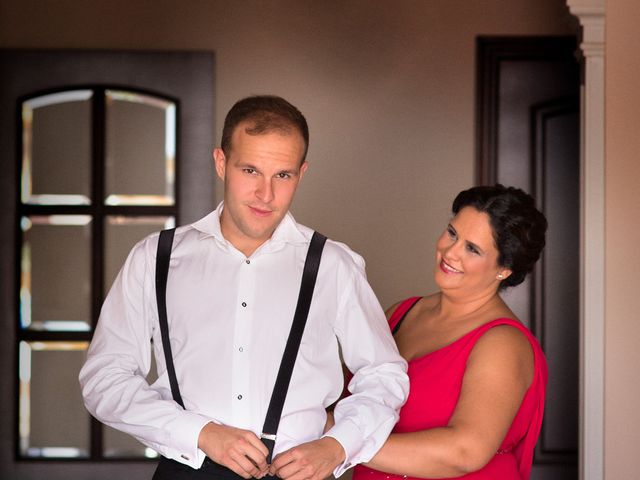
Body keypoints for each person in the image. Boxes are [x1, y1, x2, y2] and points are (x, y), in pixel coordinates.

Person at [79, 95, 409, 480]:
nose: (265, 194)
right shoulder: (155, 258)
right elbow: (104, 377)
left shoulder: (334, 264)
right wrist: (200, 433)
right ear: (221, 163)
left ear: (301, 173)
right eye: (250, 170)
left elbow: (384, 375)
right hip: (188, 471)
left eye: (282, 175)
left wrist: (337, 445)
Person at [351, 184, 548, 480]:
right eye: (453, 233)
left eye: (473, 249)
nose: (450, 252)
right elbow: (342, 397)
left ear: (504, 269)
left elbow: (465, 451)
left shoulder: (503, 343)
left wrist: (342, 446)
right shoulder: (401, 313)